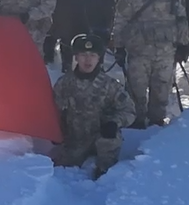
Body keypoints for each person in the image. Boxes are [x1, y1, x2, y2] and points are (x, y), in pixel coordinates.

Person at [109, 0, 189, 128]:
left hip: (166, 53)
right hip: (139, 52)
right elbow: (121, 20)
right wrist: (119, 47)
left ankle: (156, 122)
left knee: (162, 89)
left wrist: (183, 44)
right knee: (136, 89)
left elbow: (181, 19)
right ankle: (136, 122)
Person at [51, 34, 137, 177]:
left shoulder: (110, 85)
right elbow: (53, 110)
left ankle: (104, 169)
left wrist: (114, 123)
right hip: (75, 139)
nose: (88, 60)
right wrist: (54, 130)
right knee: (59, 169)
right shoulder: (64, 84)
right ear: (76, 57)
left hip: (101, 137)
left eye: (92, 55)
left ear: (99, 59)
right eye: (83, 55)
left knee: (109, 143)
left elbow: (129, 110)